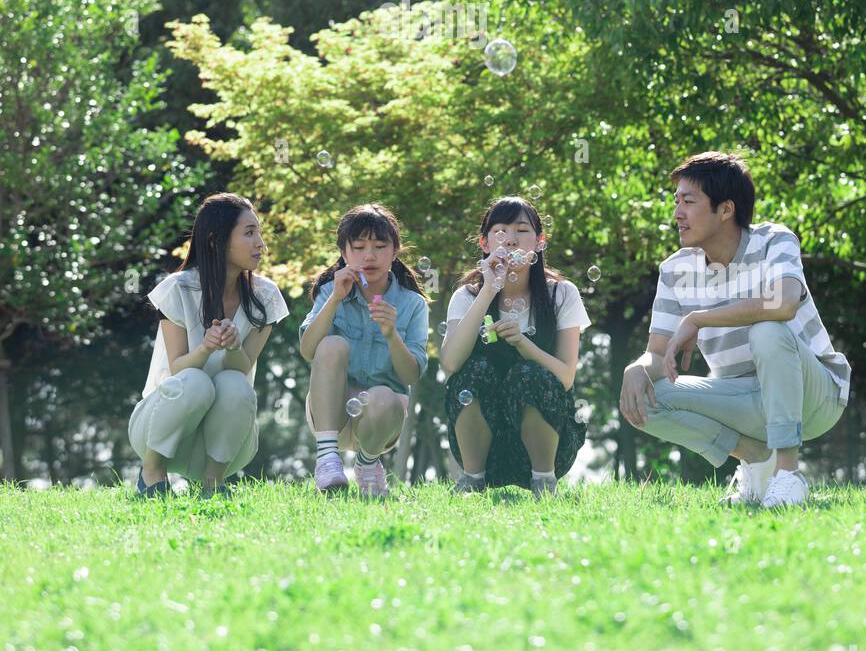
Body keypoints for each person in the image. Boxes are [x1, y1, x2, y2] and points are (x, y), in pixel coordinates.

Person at [619, 152, 851, 508]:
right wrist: (637, 367)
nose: (677, 213)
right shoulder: (675, 269)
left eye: (689, 202)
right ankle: (757, 457)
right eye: (676, 201)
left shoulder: (775, 240)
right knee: (646, 397)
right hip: (742, 397)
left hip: (813, 396)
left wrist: (698, 318)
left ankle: (788, 477)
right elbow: (657, 353)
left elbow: (783, 304)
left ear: (725, 209)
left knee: (767, 330)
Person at [128, 193, 288, 498]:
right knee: (195, 381)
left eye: (260, 233)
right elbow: (176, 367)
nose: (261, 244)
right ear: (216, 240)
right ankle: (151, 475)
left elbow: (244, 366)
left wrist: (233, 347)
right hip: (159, 431)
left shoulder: (266, 297)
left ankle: (214, 483)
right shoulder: (177, 289)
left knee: (235, 383)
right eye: (249, 233)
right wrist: (204, 348)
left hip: (225, 444)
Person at [440, 196, 589, 498]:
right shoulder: (467, 297)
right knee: (474, 369)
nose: (510, 239)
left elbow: (566, 377)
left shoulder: (561, 294)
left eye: (521, 230)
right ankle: (473, 480)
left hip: (550, 447)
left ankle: (544, 483)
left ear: (540, 242)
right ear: (484, 243)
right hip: (486, 450)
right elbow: (451, 363)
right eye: (500, 231)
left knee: (528, 373)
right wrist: (489, 290)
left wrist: (523, 344)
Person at [300, 203, 430, 497]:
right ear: (344, 254)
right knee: (331, 344)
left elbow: (410, 374)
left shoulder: (413, 305)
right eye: (358, 247)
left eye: (380, 246)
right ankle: (327, 458)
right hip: (331, 413)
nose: (369, 255)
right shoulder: (329, 293)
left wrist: (391, 334)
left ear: (395, 250)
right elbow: (308, 350)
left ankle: (367, 464)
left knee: (382, 396)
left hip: (381, 419)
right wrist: (334, 300)